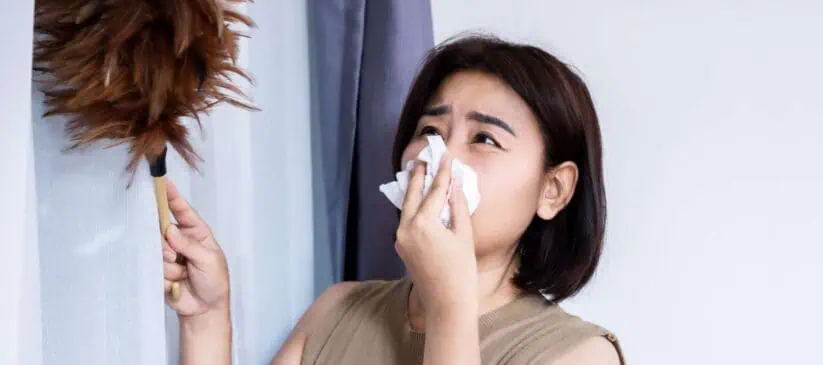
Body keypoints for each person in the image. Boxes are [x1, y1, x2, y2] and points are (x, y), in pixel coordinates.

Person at [161, 35, 624, 365]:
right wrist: (206, 317)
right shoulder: (337, 310)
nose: (440, 157)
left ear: (554, 190)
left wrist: (449, 309)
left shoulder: (578, 355)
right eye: (430, 131)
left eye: (484, 138)